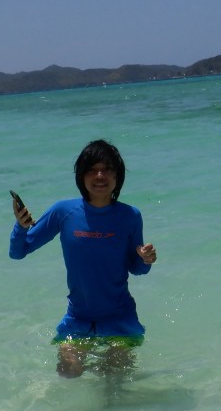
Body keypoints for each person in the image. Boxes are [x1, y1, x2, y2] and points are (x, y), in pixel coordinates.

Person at [9, 139, 158, 377]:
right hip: (78, 318)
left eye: (107, 169)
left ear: (117, 176)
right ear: (81, 175)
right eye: (92, 170)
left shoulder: (130, 216)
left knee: (115, 378)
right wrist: (21, 226)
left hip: (120, 319)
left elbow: (137, 268)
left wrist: (145, 259)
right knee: (68, 372)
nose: (100, 176)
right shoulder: (63, 211)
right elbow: (18, 252)